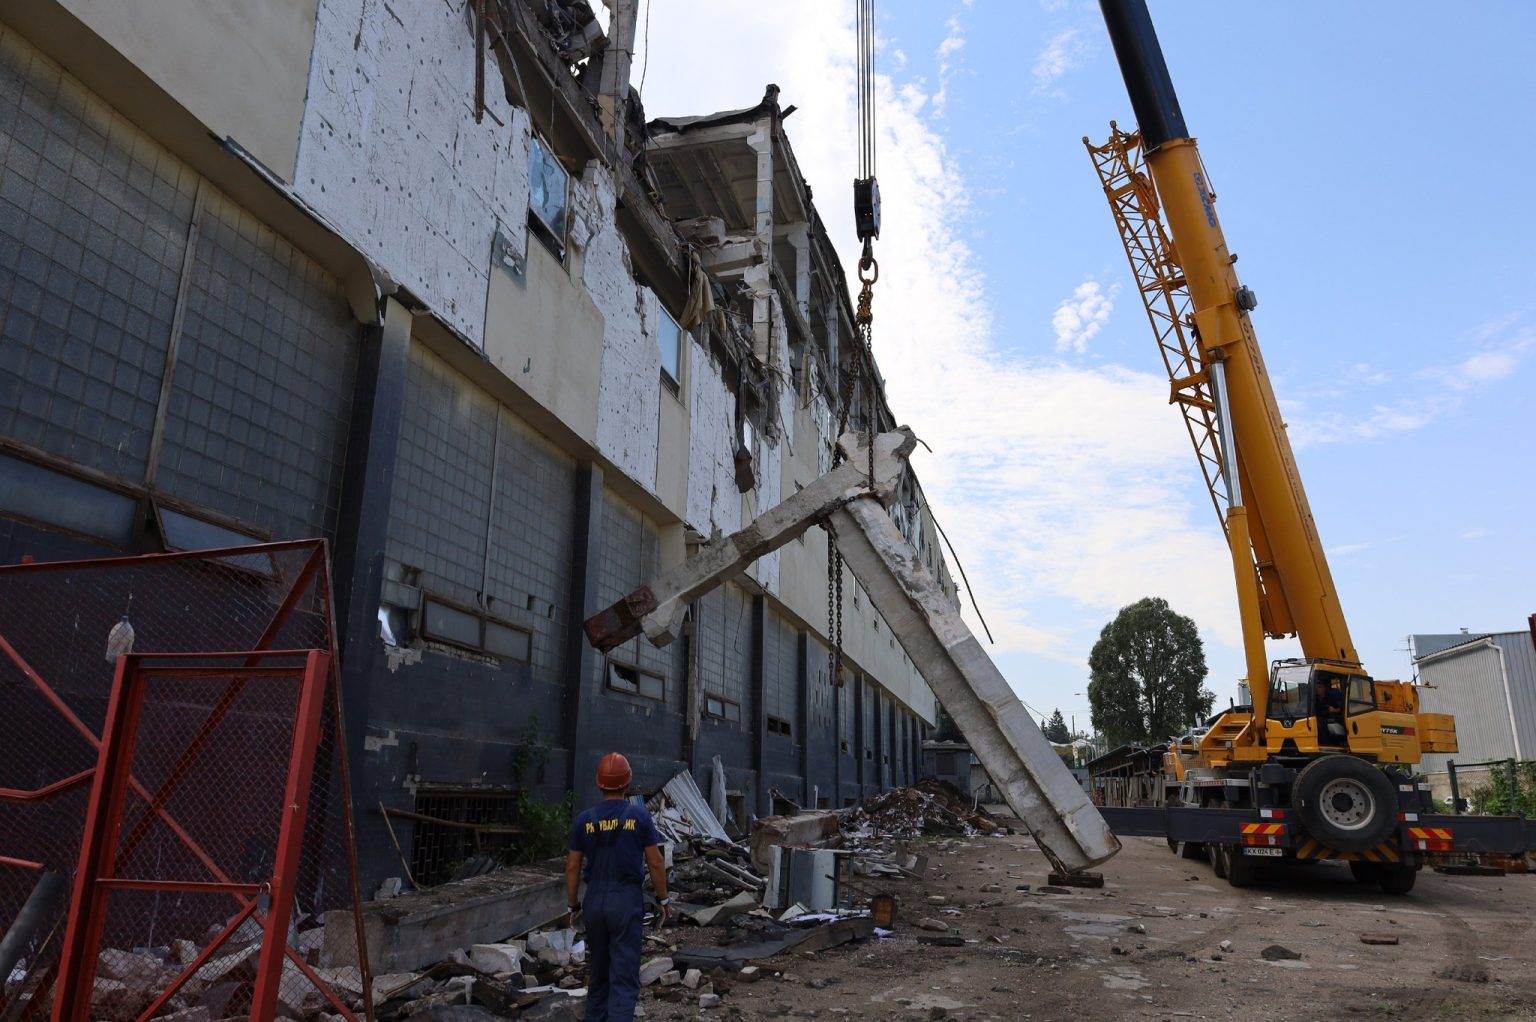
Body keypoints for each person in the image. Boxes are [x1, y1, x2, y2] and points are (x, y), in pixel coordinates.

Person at [566, 752, 670, 1022]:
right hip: (625, 902)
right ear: (627, 782)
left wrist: (572, 906)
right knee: (623, 979)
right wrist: (663, 900)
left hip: (594, 902)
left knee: (599, 976)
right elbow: (655, 862)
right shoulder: (640, 817)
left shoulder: (584, 820)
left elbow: (572, 867)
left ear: (599, 783)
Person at [1314, 677, 1345, 744]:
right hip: (1315, 719)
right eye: (1316, 687)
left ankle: (1325, 743)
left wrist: (1334, 710)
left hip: (1328, 718)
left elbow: (1340, 709)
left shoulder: (1331, 697)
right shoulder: (1313, 699)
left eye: (1319, 687)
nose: (1317, 689)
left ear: (1324, 688)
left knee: (1322, 721)